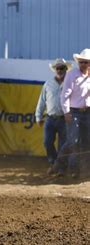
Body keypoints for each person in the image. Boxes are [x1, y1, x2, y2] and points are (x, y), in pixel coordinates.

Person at [51, 48, 90, 178]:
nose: (84, 64)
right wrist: (67, 112)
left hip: (88, 113)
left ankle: (81, 170)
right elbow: (65, 95)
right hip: (74, 112)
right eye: (82, 62)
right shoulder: (72, 74)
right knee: (73, 141)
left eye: (86, 62)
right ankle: (59, 164)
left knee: (86, 142)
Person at [35, 58, 71, 170]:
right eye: (57, 68)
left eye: (62, 68)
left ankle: (60, 167)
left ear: (66, 69)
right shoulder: (48, 84)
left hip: (64, 119)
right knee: (47, 142)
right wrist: (38, 116)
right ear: (55, 69)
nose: (59, 70)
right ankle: (54, 162)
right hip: (50, 118)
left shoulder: (70, 83)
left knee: (63, 145)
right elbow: (42, 101)